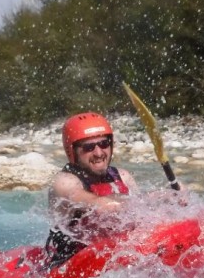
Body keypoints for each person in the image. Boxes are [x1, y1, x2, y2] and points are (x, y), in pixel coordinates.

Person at [45, 112, 140, 266]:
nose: (98, 153)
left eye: (104, 144)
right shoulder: (65, 182)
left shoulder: (123, 176)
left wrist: (169, 198)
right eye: (88, 147)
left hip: (113, 256)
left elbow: (143, 216)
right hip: (68, 264)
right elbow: (99, 204)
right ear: (73, 151)